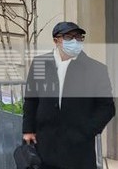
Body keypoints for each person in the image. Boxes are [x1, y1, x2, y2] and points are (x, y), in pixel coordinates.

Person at [22, 22, 115, 169]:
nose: (75, 41)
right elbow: (31, 99)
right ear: (56, 40)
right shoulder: (40, 64)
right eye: (68, 37)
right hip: (45, 142)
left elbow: (107, 107)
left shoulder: (95, 69)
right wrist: (28, 129)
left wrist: (88, 130)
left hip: (78, 147)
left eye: (78, 37)